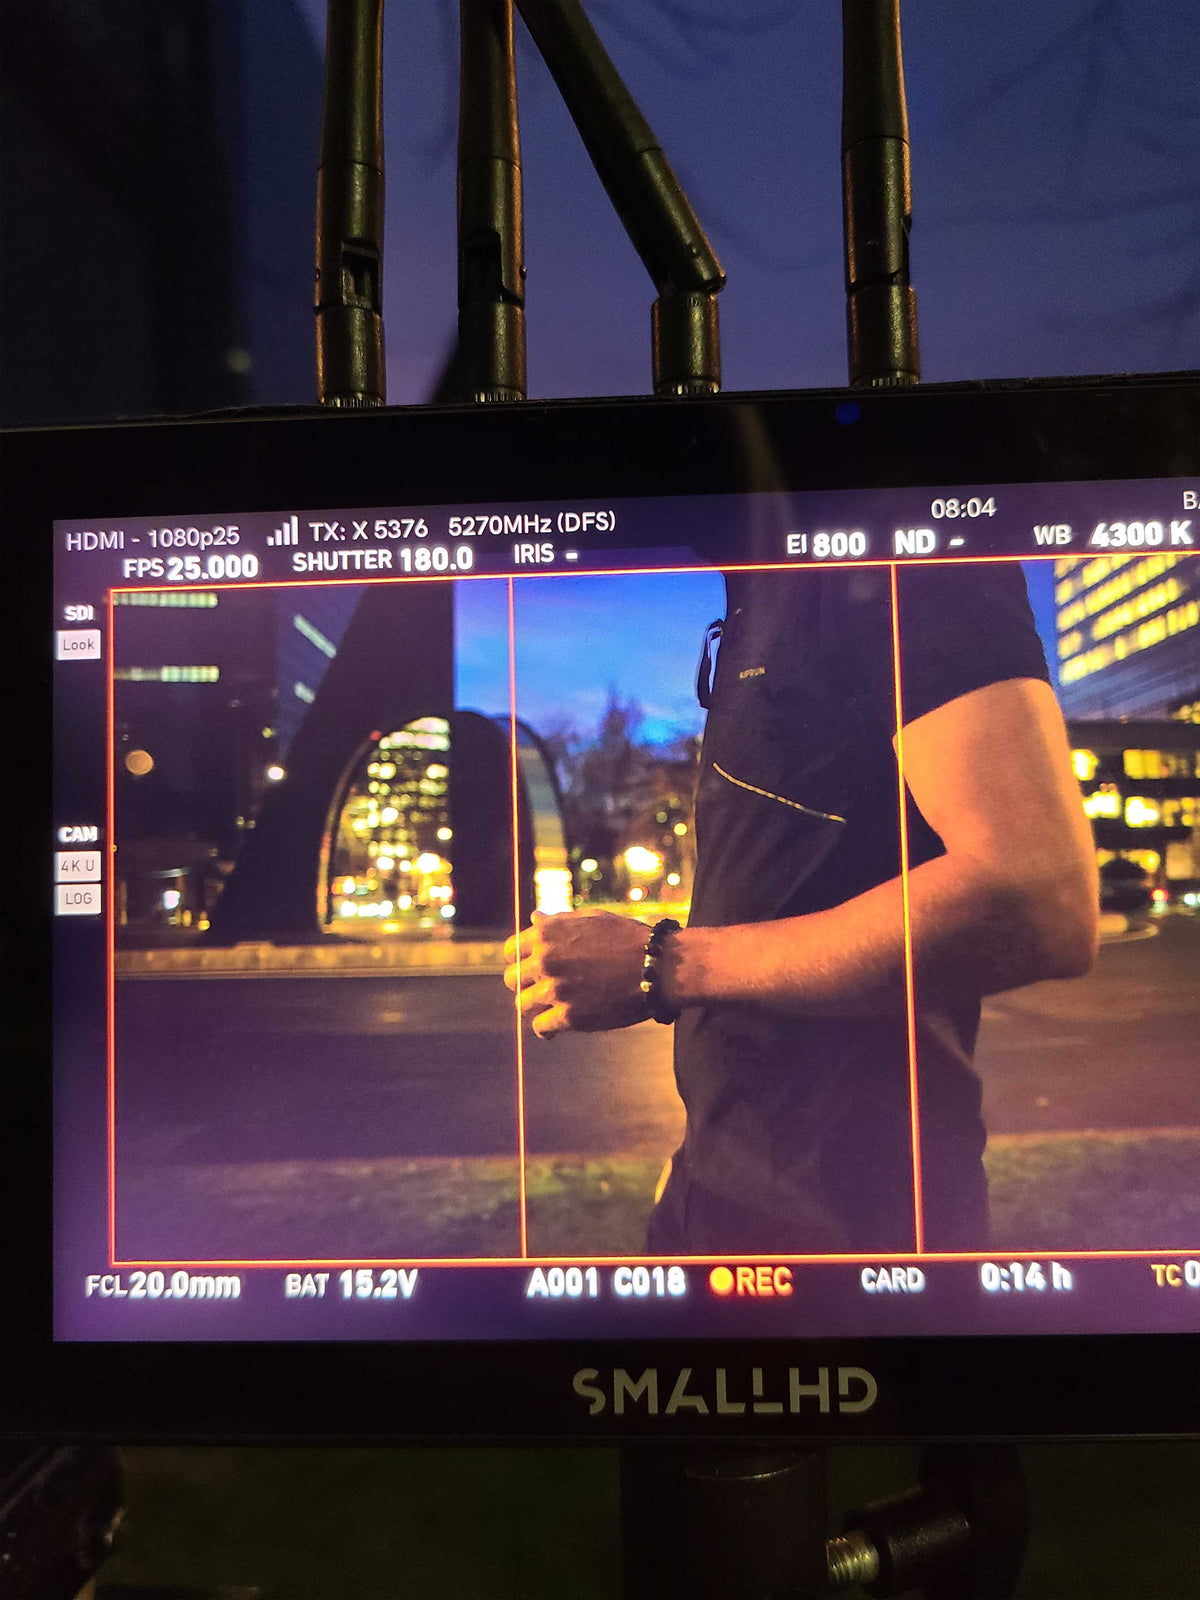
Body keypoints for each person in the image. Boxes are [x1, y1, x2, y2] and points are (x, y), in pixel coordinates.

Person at [503, 563, 1097, 1253]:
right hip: (717, 1188)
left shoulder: (899, 557)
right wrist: (701, 1154)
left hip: (853, 1228)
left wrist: (662, 964)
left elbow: (1037, 898)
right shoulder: (763, 598)